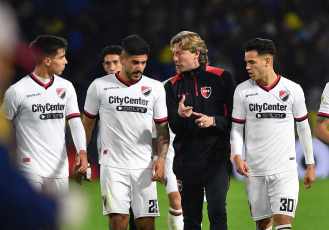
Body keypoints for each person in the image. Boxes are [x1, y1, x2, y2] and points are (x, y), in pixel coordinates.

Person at [82, 35, 169, 229]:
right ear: (122, 60)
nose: (140, 67)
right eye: (135, 62)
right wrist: (82, 153)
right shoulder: (99, 86)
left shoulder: (154, 88)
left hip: (144, 165)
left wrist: (161, 160)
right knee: (118, 222)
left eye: (143, 62)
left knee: (146, 224)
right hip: (112, 165)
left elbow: (163, 127)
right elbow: (87, 124)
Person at [230, 38, 316, 230]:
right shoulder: (242, 91)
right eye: (246, 62)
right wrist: (237, 155)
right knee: (263, 223)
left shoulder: (292, 90)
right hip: (255, 170)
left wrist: (310, 164)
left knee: (283, 221)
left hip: (285, 169)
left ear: (267, 61)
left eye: (251, 62)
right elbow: (236, 127)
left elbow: (303, 127)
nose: (247, 67)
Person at [1, 35, 88, 213]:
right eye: (62, 57)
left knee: (55, 220)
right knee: (29, 217)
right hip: (28, 165)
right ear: (47, 61)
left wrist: (82, 152)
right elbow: (4, 128)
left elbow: (75, 123)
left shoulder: (66, 87)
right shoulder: (17, 91)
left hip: (59, 167)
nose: (66, 61)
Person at [164, 31, 236, 229]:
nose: (175, 59)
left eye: (180, 53)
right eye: (173, 54)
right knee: (191, 219)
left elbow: (236, 120)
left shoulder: (223, 78)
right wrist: (180, 115)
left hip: (217, 160)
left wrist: (214, 121)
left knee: (217, 211)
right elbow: (173, 127)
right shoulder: (171, 86)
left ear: (196, 53)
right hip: (186, 161)